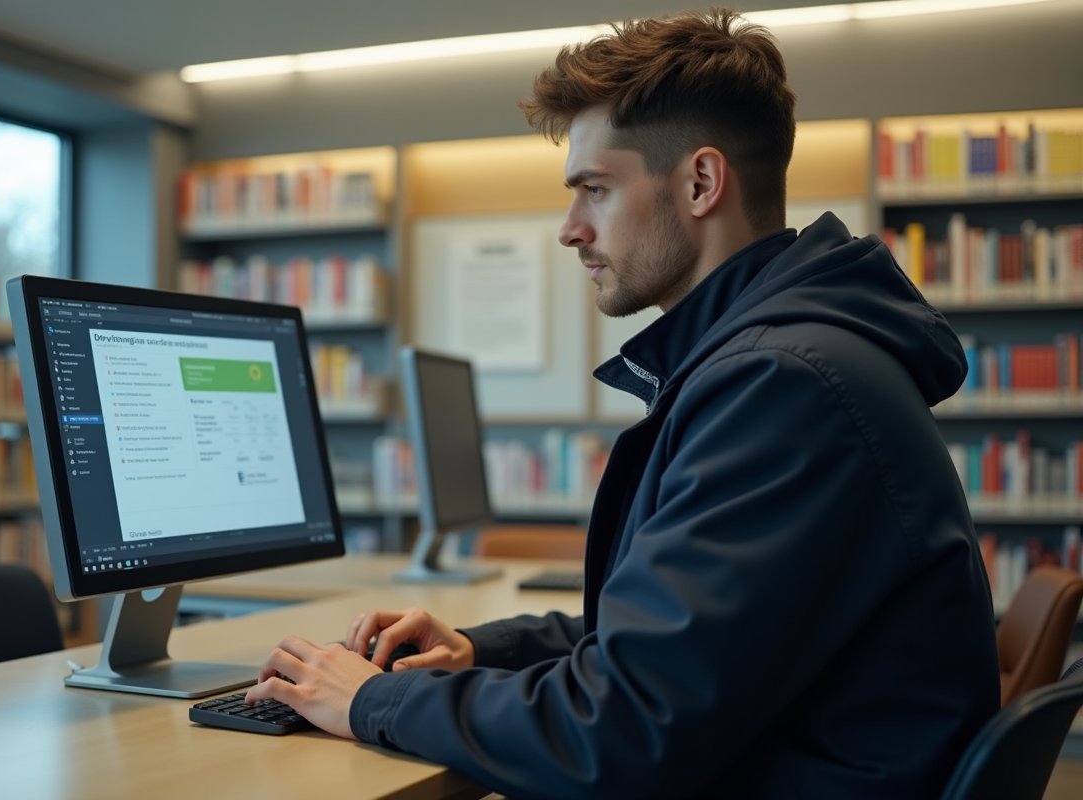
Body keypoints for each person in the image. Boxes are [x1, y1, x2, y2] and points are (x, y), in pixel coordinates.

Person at [245, 9, 1000, 798]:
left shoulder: (783, 387)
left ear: (701, 183)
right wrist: (481, 651)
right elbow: (680, 641)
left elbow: (625, 730)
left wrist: (372, 700)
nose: (570, 230)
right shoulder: (778, 361)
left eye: (595, 190)